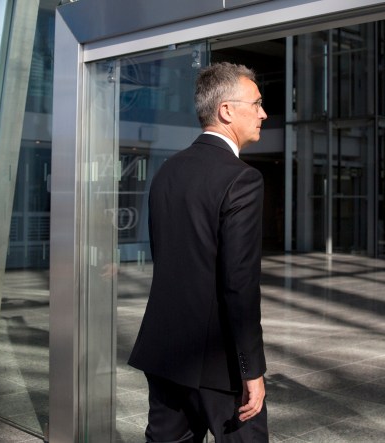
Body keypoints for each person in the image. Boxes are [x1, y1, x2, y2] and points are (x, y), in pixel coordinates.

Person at [128, 62, 269, 442]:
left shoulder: (167, 172)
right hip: (219, 366)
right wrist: (251, 369)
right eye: (256, 103)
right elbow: (238, 283)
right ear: (226, 110)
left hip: (164, 352)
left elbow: (169, 260)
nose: (263, 113)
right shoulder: (243, 179)